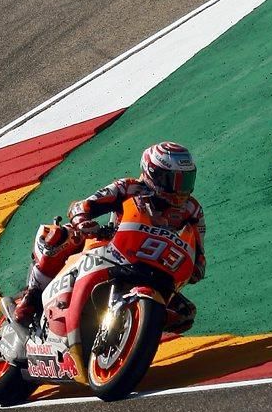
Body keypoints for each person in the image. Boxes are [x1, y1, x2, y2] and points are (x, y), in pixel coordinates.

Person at [12, 142, 206, 333]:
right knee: (61, 236)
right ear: (153, 174)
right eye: (174, 180)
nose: (181, 189)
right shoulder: (129, 187)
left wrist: (196, 266)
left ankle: (135, 330)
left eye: (186, 181)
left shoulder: (192, 209)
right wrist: (83, 222)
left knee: (184, 314)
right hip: (112, 247)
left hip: (153, 266)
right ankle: (32, 296)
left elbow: (199, 248)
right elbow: (82, 206)